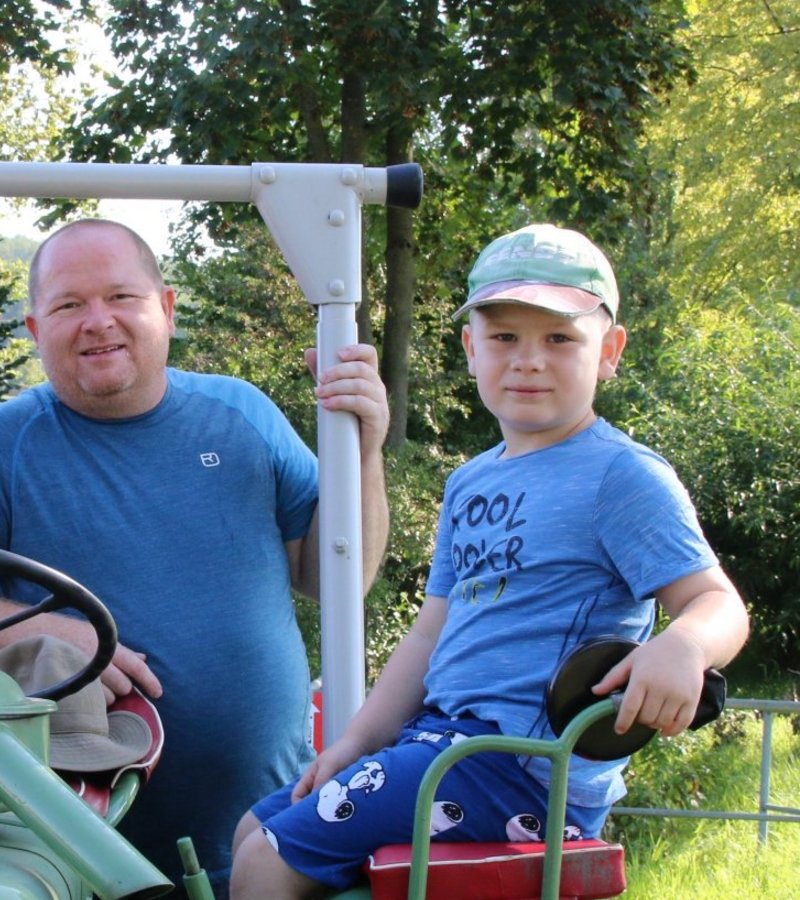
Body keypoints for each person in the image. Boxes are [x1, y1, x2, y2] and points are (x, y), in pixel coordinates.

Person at [230, 224, 751, 898]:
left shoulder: (620, 476)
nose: (528, 360)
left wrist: (681, 646)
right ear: (471, 348)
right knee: (248, 830)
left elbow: (717, 602)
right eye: (504, 337)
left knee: (266, 863)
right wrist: (355, 743)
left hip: (519, 766)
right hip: (439, 746)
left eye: (560, 339)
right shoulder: (470, 483)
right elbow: (430, 633)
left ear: (610, 352)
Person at [0, 218, 391, 893]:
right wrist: (63, 634)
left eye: (121, 296)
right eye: (69, 305)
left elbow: (338, 582)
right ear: (35, 330)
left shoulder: (243, 417)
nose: (98, 322)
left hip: (259, 851)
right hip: (74, 857)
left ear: (167, 309)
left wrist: (363, 450)